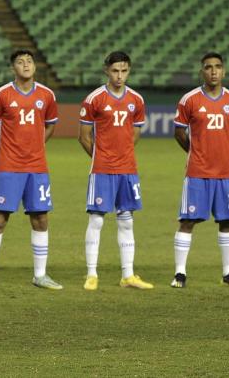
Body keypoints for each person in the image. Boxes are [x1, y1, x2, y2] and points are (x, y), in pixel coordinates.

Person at [0, 50, 63, 291]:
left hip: (37, 168)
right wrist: (7, 150)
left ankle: (40, 275)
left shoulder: (46, 95)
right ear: (13, 68)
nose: (26, 65)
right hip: (8, 167)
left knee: (41, 218)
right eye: (20, 62)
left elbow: (50, 124)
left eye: (30, 61)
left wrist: (36, 146)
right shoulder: (1, 95)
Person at [172, 53, 229, 288]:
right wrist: (196, 151)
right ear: (202, 72)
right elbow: (179, 132)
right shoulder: (190, 100)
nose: (213, 71)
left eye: (217, 67)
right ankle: (180, 274)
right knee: (188, 220)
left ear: (223, 71)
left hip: (225, 173)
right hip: (197, 173)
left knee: (227, 221)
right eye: (208, 67)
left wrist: (222, 148)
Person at [78, 52, 153, 290]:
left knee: (127, 221)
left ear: (129, 71)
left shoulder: (136, 100)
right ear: (106, 71)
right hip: (102, 169)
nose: (119, 76)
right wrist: (102, 157)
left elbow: (136, 133)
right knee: (97, 220)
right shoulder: (94, 99)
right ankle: (91, 274)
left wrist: (122, 155)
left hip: (128, 169)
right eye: (115, 71)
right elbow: (84, 136)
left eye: (124, 71)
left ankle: (128, 275)